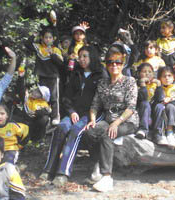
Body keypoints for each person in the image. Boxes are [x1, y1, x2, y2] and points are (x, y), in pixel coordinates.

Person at [41, 46, 106, 186]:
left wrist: (91, 115)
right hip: (74, 112)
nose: (81, 59)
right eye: (80, 56)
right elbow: (66, 97)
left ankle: (63, 172)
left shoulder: (101, 75)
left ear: (92, 57)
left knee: (76, 131)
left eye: (85, 56)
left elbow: (101, 100)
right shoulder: (76, 74)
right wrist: (71, 111)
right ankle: (49, 169)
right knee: (61, 127)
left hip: (92, 114)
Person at [83, 52, 139, 192]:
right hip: (108, 120)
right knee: (90, 131)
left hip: (127, 121)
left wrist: (117, 123)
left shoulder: (129, 81)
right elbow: (95, 104)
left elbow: (131, 107)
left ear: (123, 64)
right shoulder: (103, 83)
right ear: (106, 65)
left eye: (118, 62)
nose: (114, 65)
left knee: (108, 135)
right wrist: (93, 120)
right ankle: (97, 164)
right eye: (110, 62)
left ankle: (107, 176)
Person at [26, 27, 64, 125]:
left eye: (50, 37)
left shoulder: (56, 49)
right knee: (41, 97)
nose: (48, 39)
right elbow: (27, 44)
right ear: (42, 38)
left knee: (54, 98)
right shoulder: (39, 47)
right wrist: (34, 34)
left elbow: (60, 63)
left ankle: (55, 116)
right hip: (41, 76)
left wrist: (52, 54)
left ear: (53, 39)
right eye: (46, 37)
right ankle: (45, 115)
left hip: (53, 77)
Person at [135, 63, 160, 139]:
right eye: (144, 71)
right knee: (145, 103)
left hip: (153, 114)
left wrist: (159, 86)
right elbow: (144, 98)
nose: (147, 74)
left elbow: (160, 99)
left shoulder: (155, 84)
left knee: (160, 106)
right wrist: (142, 83)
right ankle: (143, 130)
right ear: (139, 74)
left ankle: (158, 132)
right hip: (141, 112)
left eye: (149, 72)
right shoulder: (135, 84)